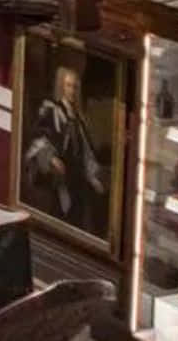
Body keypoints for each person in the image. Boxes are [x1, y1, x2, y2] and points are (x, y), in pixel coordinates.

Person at [22, 62, 106, 235]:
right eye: (68, 86)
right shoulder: (52, 110)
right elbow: (38, 138)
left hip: (78, 182)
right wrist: (51, 158)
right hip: (58, 180)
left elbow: (86, 153)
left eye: (75, 87)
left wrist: (94, 177)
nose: (72, 91)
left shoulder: (80, 119)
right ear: (62, 87)